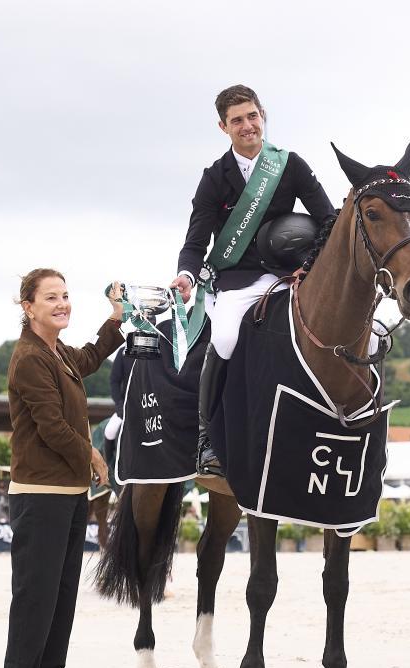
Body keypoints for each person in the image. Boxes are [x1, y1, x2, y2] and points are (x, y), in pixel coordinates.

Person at [169, 84, 335, 477]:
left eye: (252, 116)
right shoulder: (215, 177)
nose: (247, 126)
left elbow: (329, 219)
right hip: (239, 280)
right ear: (223, 127)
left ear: (263, 115)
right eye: (237, 120)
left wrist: (311, 265)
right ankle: (208, 440)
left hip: (290, 275)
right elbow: (196, 241)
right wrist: (186, 274)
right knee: (226, 337)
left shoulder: (289, 165)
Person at [0, 268, 124, 668]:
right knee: (34, 604)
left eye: (65, 295)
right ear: (28, 306)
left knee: (60, 604)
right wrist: (92, 453)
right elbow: (51, 426)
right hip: (39, 496)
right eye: (51, 297)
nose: (62, 303)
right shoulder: (30, 358)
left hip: (70, 496)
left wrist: (116, 318)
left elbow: (90, 356)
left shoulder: (58, 353)